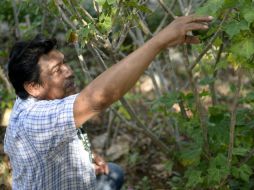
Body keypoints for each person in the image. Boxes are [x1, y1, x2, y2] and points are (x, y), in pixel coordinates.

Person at [4, 15, 212, 190]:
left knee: (114, 172)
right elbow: (98, 99)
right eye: (57, 70)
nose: (68, 71)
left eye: (64, 63)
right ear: (33, 87)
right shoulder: (32, 120)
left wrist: (85, 156)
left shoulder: (39, 99)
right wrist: (159, 41)